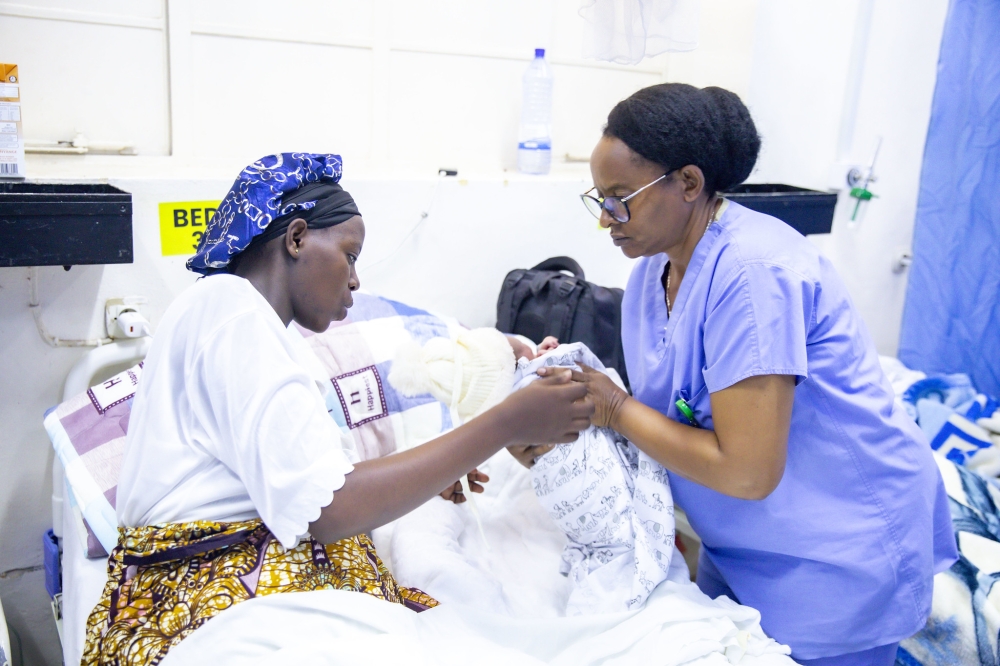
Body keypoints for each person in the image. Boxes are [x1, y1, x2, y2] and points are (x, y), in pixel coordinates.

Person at [82, 153, 593, 666]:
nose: (354, 281)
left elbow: (311, 481)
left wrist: (430, 474)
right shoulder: (227, 308)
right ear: (297, 237)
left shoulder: (264, 335)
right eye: (350, 255)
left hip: (255, 566)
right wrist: (506, 421)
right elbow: (329, 510)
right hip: (198, 585)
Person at [545, 84, 957, 664]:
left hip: (836, 552)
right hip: (742, 541)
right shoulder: (652, 274)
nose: (607, 220)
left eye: (622, 198)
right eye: (600, 200)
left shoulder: (752, 273)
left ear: (688, 183)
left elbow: (748, 472)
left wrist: (613, 407)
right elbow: (671, 409)